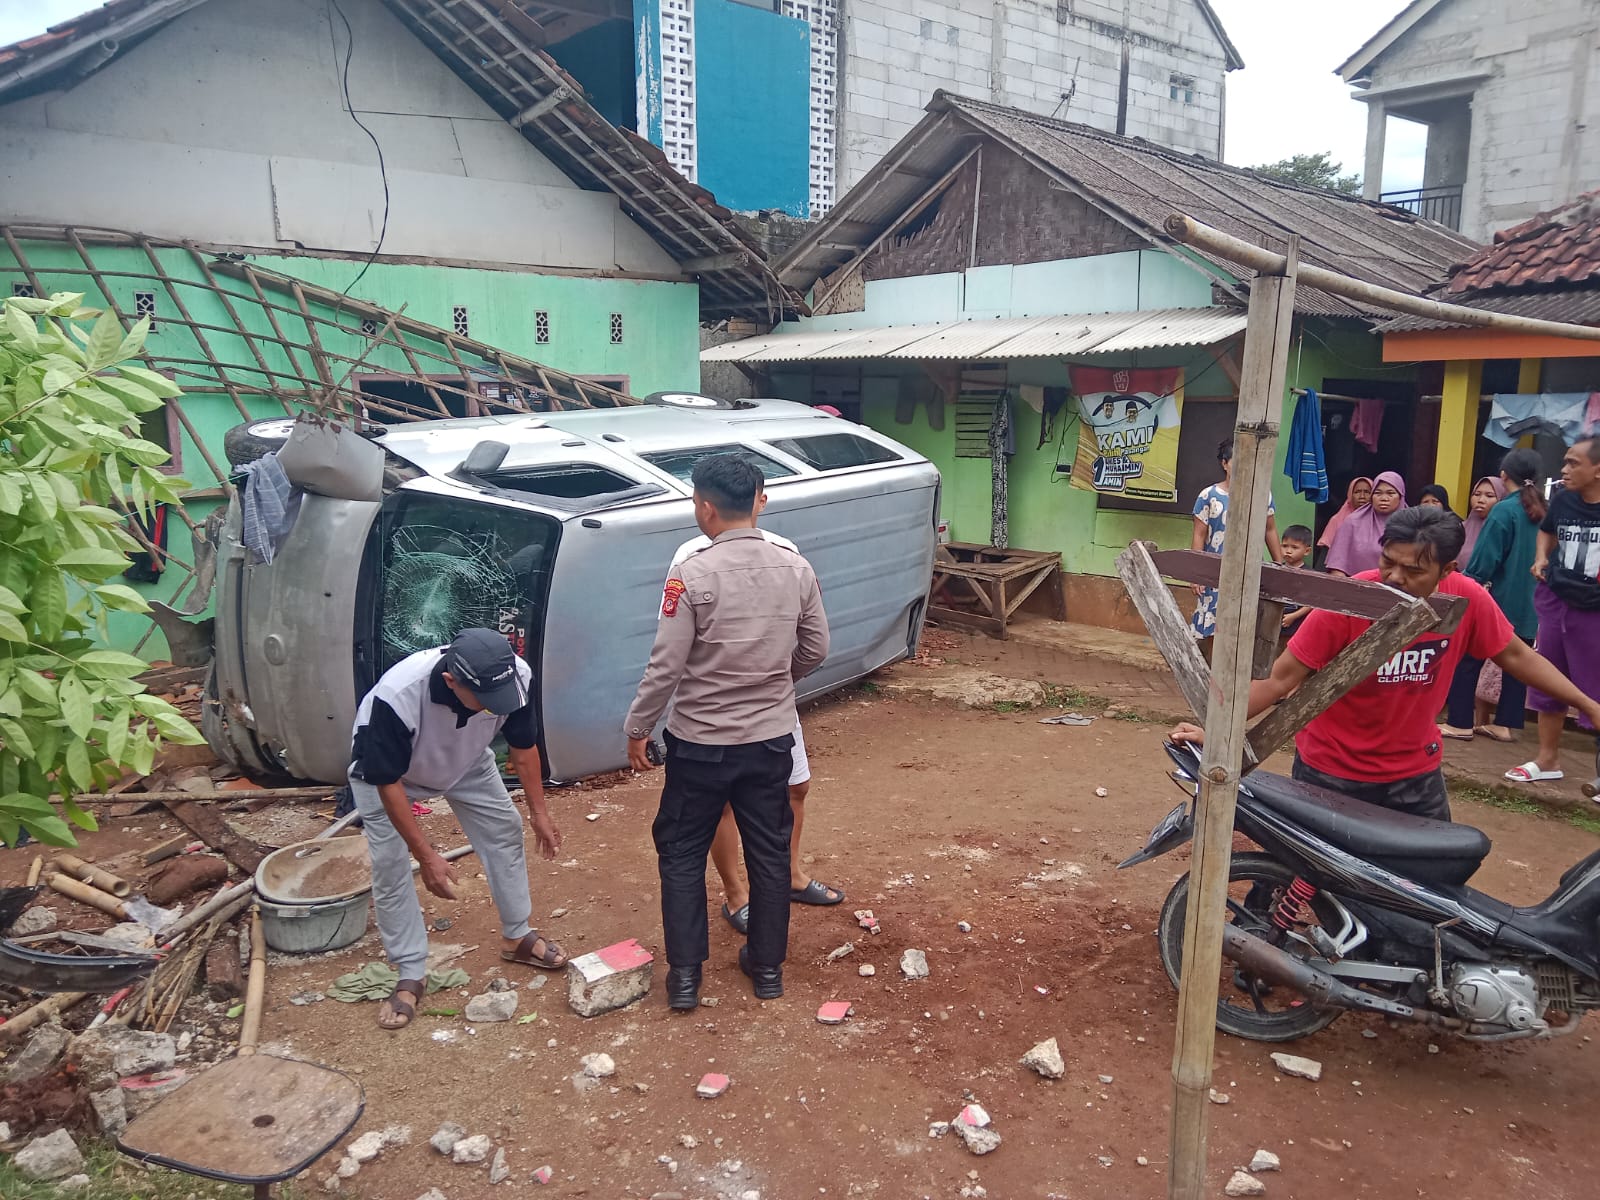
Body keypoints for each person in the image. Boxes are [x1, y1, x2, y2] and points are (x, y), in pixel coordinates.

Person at [1172, 506, 1600, 820]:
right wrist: (1217, 731)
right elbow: (1280, 679)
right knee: (1308, 880)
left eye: (1413, 570)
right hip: (1330, 770)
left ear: (1448, 568)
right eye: (1387, 562)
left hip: (1415, 773)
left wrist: (1589, 705)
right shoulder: (1351, 600)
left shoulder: (1466, 598)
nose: (1395, 577)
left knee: (1430, 888)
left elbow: (1516, 654)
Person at [625, 455, 829, 1007]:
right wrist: (773, 683)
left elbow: (665, 665)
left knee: (681, 851)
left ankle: (685, 979)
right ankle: (767, 970)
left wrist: (639, 726)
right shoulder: (796, 566)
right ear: (756, 501)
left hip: (700, 745)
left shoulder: (689, 573)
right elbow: (816, 648)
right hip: (768, 741)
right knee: (769, 851)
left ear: (706, 507)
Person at [349, 628, 563, 1032]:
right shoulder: (396, 699)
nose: (494, 708)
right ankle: (411, 970)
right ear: (452, 681)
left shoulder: (513, 677)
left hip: (466, 762)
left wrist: (539, 811)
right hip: (393, 777)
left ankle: (517, 936)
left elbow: (522, 744)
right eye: (486, 701)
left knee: (505, 827)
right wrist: (426, 855)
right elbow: (388, 783)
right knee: (392, 865)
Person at [658, 502, 844, 938]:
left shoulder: (787, 552)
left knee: (796, 788)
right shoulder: (687, 560)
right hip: (715, 715)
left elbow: (810, 638)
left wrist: (779, 679)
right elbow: (674, 646)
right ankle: (736, 894)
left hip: (773, 710)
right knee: (721, 803)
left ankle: (793, 875)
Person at [1505, 437, 1600, 785]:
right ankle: (1547, 760)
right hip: (1558, 602)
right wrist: (1542, 556)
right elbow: (1546, 532)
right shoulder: (1562, 501)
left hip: (1596, 611)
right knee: (1550, 679)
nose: (1564, 469)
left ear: (1598, 470)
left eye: (1574, 463)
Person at [1441, 451, 1544, 742]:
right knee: (1518, 662)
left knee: (1467, 657)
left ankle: (1460, 721)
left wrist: (1467, 584)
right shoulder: (1542, 509)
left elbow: (1485, 559)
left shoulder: (1504, 510)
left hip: (1499, 599)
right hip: (1532, 601)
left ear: (1503, 475)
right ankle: (1506, 724)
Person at [1191, 438, 1284, 642]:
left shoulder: (1262, 495)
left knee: (1244, 627)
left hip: (1249, 572)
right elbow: (1199, 534)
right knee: (1212, 633)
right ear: (1224, 464)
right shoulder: (1208, 495)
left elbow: (1270, 529)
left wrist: (1280, 565)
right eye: (1236, 461)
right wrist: (1197, 573)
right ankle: (1208, 673)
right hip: (1215, 572)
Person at [1324, 471, 1405, 577]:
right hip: (1356, 589)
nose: (1384, 498)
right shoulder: (1353, 522)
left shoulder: (1412, 524)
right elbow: (1337, 567)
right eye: (1378, 493)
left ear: (1400, 496)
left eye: (1390, 493)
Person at [1278, 524, 1316, 639]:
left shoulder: (1310, 575)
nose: (1288, 551)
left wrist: (1293, 616)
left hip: (1296, 628)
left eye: (1294, 548)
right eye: (1285, 546)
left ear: (1307, 551)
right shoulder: (1276, 571)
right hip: (1275, 626)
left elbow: (1312, 603)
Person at [1317, 476, 1373, 554]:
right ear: (1350, 495)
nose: (1362, 496)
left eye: (1367, 492)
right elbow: (1325, 554)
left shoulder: (1377, 521)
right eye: (1357, 492)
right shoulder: (1337, 520)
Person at [1460, 475, 1506, 561]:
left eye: (1489, 496)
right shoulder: (1460, 529)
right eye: (1476, 494)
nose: (1480, 500)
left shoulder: (1506, 533)